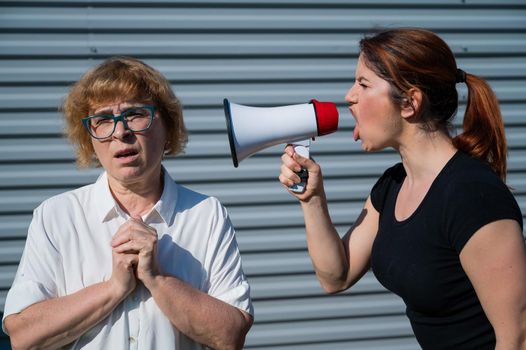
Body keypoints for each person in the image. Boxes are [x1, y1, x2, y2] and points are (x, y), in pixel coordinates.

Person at [279, 28, 526, 349]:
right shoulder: (392, 186)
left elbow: (518, 337)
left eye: (363, 84)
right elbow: (335, 276)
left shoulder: (472, 196)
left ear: (409, 102)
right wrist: (312, 198)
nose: (348, 95)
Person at [2, 57, 253, 349]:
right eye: (103, 120)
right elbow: (23, 337)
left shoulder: (207, 214)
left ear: (167, 126)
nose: (120, 132)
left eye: (135, 114)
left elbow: (230, 336)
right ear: (89, 138)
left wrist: (157, 278)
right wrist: (113, 288)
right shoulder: (56, 215)